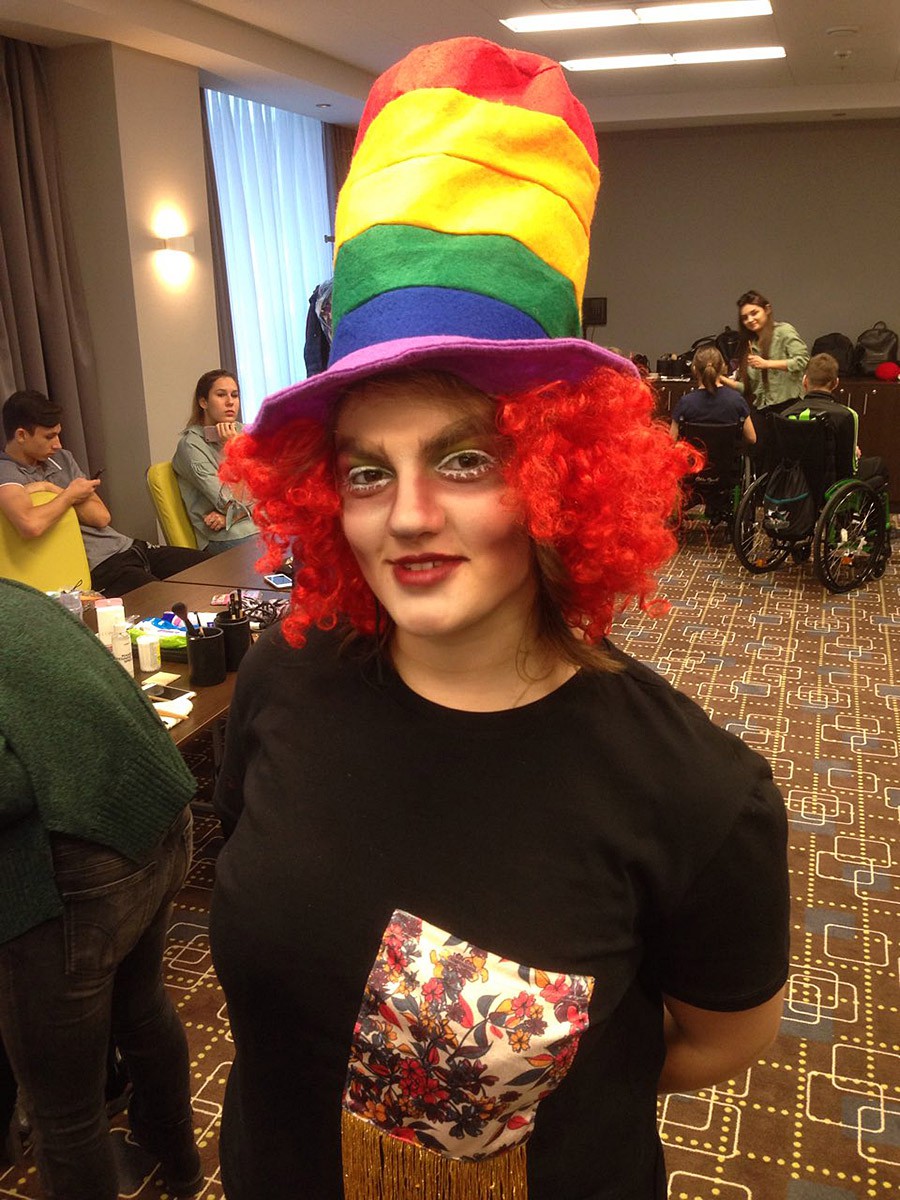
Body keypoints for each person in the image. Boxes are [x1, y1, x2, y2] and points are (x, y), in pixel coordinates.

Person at [209, 37, 790, 1200]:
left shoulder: (694, 791)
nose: (407, 516)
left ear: (559, 473)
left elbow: (719, 1042)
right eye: (366, 471)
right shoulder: (286, 675)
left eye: (464, 459)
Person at [0, 578, 203, 1199]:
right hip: (156, 816)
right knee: (142, 1010)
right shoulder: (12, 594)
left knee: (64, 1112)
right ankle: (180, 1164)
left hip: (83, 866)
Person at [0, 390, 208, 595]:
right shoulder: (7, 472)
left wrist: (52, 489)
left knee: (209, 569)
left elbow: (101, 517)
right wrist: (71, 494)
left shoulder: (61, 458)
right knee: (164, 597)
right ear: (21, 435)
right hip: (101, 568)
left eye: (58, 434)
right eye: (49, 437)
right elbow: (31, 525)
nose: (58, 444)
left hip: (130, 547)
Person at [172, 370, 259, 554]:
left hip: (256, 523)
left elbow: (272, 489)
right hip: (226, 536)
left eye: (234, 395)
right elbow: (227, 503)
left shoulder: (245, 431)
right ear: (203, 402)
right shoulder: (191, 446)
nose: (230, 402)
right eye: (221, 395)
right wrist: (234, 450)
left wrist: (233, 516)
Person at [783, 352, 889, 485]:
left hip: (794, 482)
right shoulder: (846, 415)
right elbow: (848, 468)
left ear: (804, 381)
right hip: (831, 484)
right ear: (836, 383)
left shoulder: (786, 414)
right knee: (879, 464)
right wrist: (853, 453)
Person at [733, 289, 809, 411]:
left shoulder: (783, 331)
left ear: (767, 309)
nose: (750, 320)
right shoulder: (750, 344)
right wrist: (721, 380)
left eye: (754, 313)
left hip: (789, 405)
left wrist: (767, 364)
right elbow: (747, 388)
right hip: (762, 408)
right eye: (745, 318)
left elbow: (802, 361)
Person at [670, 345, 756, 443]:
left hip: (695, 453)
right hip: (727, 453)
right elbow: (752, 438)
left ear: (694, 368)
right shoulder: (737, 400)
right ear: (722, 367)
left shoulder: (685, 402)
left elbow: (672, 440)